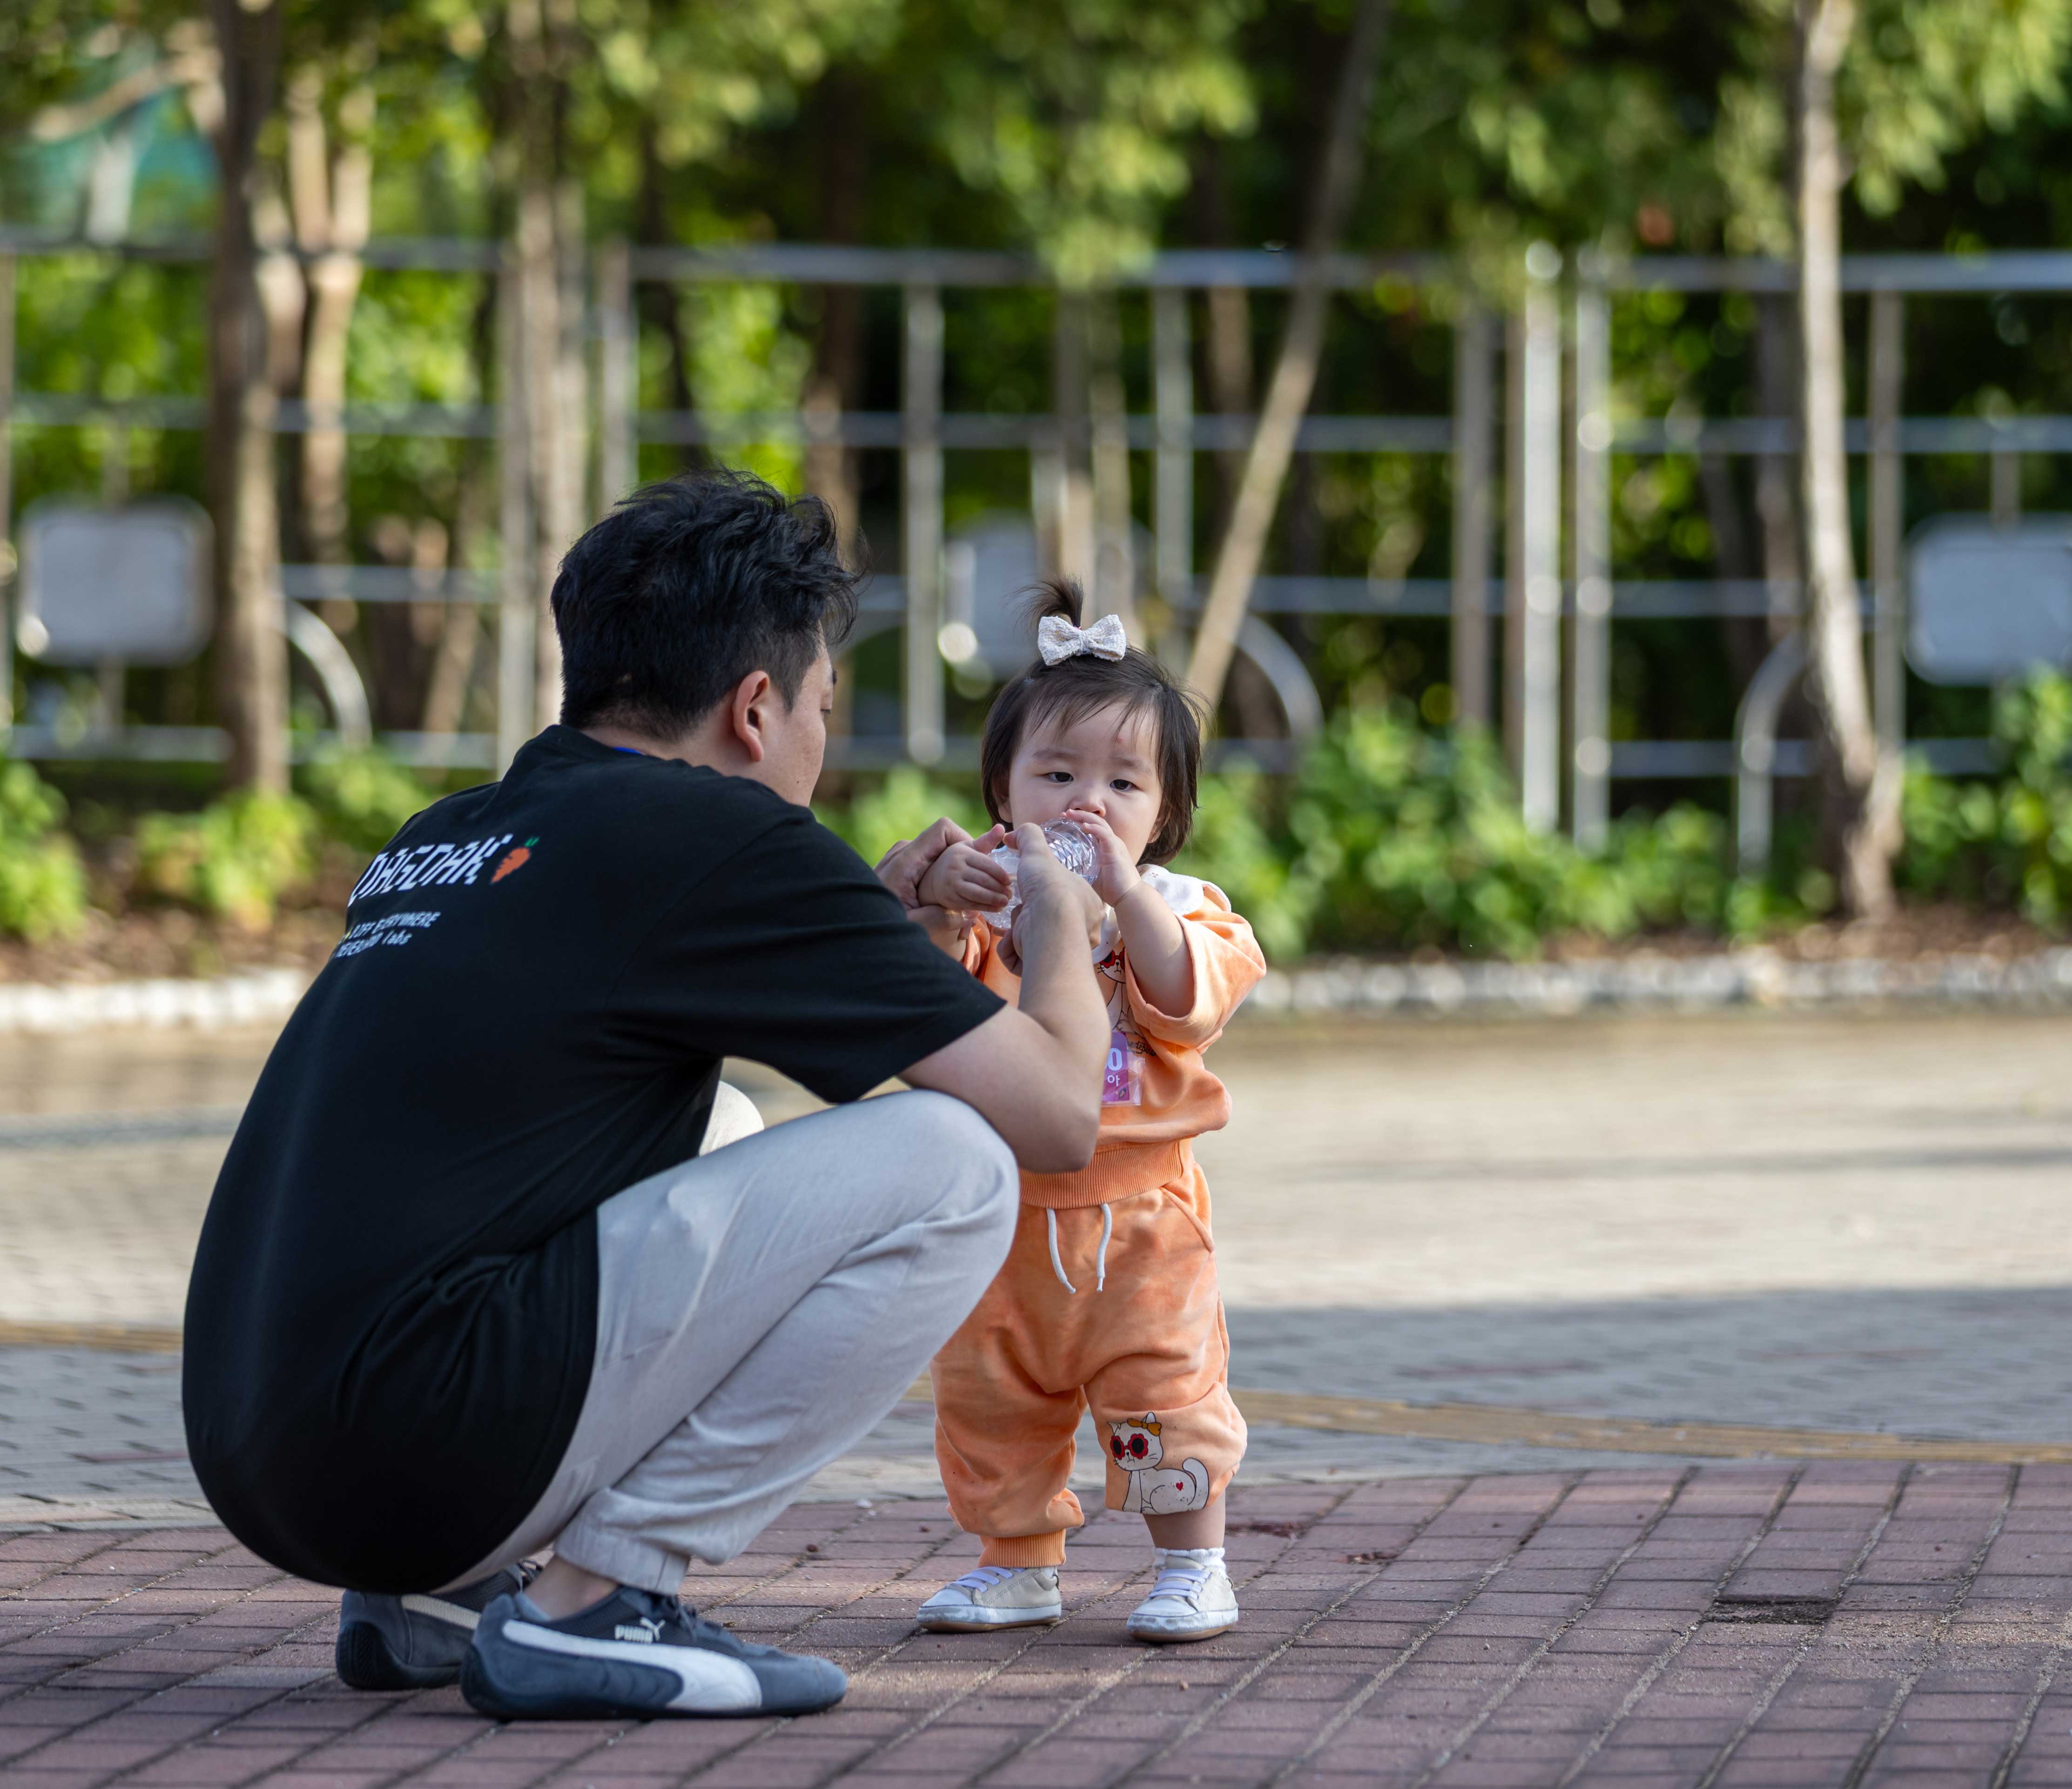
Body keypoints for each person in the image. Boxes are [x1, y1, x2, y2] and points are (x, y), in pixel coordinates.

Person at [180, 471, 1114, 1723]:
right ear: (753, 708)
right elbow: (1053, 1113)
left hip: (266, 1455)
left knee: (713, 1123)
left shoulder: (456, 828)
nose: (820, 744)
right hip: (414, 1449)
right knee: (956, 1166)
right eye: (821, 708)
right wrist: (1063, 920)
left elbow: (632, 994)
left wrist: (880, 931)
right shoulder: (725, 842)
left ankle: (436, 1594)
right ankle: (598, 1599)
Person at [880, 581, 1265, 1643]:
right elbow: (921, 1007)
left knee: (1163, 1387)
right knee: (990, 1399)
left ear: (1165, 813)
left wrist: (1125, 897)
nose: (1085, 803)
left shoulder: (1181, 907)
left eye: (1122, 782)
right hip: (999, 1210)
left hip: (1141, 1220)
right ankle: (1016, 1563)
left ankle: (1193, 1562)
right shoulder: (986, 903)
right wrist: (934, 906)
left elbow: (1190, 1002)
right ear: (1002, 792)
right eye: (1055, 775)